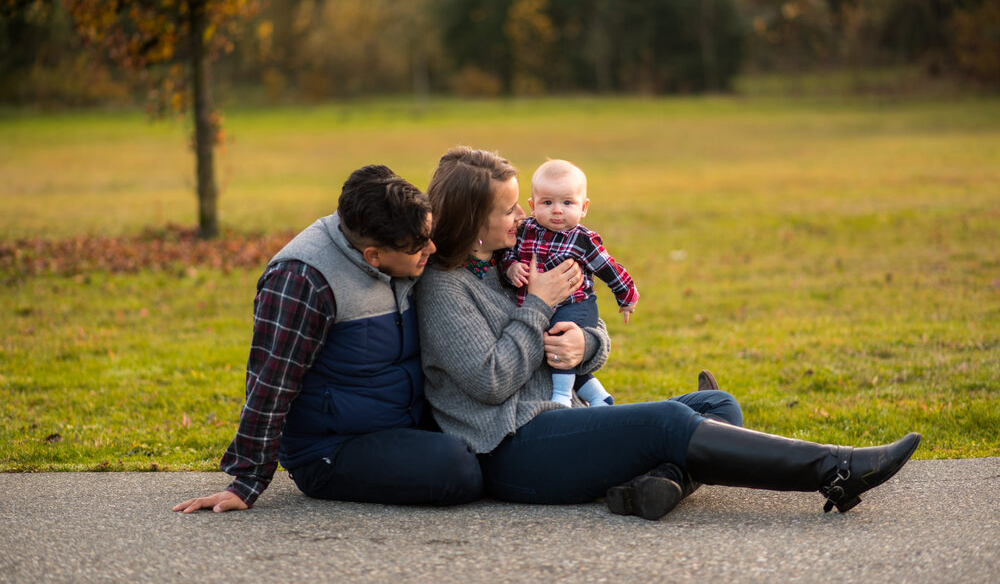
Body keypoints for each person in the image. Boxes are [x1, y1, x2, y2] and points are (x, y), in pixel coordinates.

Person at [415, 146, 920, 520]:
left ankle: (660, 485)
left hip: (555, 422)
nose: (523, 216)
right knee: (669, 423)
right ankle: (833, 470)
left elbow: (588, 332)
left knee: (718, 406)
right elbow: (491, 381)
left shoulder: (511, 261)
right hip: (512, 448)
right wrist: (538, 305)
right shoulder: (445, 287)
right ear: (475, 224)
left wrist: (585, 344)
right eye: (509, 210)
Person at [174, 165, 483, 514]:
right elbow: (271, 382)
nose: (431, 247)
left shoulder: (397, 243)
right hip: (331, 448)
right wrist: (248, 480)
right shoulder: (302, 279)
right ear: (373, 256)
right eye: (418, 245)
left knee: (494, 444)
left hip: (402, 422)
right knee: (457, 469)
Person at [500, 158, 637, 407]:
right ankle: (599, 397)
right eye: (547, 202)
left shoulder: (582, 240)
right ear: (532, 206)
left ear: (583, 207)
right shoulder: (524, 231)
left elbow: (609, 269)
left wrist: (627, 297)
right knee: (557, 351)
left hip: (576, 305)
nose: (557, 210)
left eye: (567, 202)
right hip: (539, 305)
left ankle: (562, 399)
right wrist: (511, 268)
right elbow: (509, 254)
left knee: (560, 341)